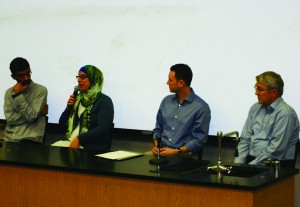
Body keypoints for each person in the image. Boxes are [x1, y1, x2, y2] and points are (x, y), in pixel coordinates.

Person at [234, 71, 299, 166]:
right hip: (252, 162)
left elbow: (275, 151)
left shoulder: (286, 113)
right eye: (256, 88)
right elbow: (245, 140)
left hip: (275, 165)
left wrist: (249, 168)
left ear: (273, 92)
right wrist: (237, 165)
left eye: (260, 89)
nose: (256, 93)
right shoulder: (255, 108)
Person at [152, 63, 211, 157]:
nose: (167, 82)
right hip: (161, 153)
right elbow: (157, 129)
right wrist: (156, 146)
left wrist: (175, 151)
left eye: (170, 80)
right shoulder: (166, 101)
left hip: (185, 155)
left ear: (181, 83)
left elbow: (199, 140)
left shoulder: (201, 107)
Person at [52, 65, 114, 152]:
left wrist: (79, 139)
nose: (78, 80)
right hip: (69, 143)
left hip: (90, 148)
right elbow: (62, 126)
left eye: (83, 77)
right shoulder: (78, 98)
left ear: (94, 79)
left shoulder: (104, 101)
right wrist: (68, 109)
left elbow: (102, 128)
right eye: (78, 77)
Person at [3, 57, 48, 143]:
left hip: (30, 139)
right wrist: (36, 114)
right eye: (21, 76)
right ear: (13, 77)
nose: (26, 78)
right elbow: (9, 119)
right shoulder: (9, 93)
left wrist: (18, 95)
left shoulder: (41, 90)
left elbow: (31, 117)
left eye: (28, 73)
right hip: (9, 138)